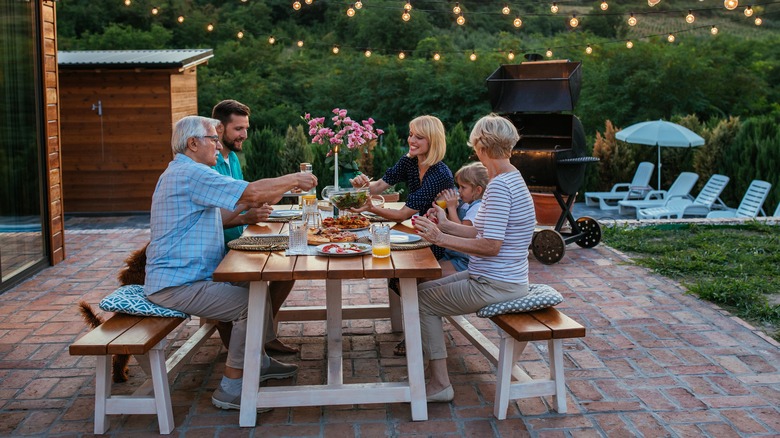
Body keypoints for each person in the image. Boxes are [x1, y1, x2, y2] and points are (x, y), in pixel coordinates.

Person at [144, 115, 318, 411]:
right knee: (251, 303)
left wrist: (256, 206)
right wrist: (292, 179)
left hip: (192, 277)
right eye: (213, 138)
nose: (217, 144)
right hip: (177, 285)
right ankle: (231, 386)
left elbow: (234, 206)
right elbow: (251, 192)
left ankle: (258, 361)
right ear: (193, 143)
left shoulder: (187, 172)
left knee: (261, 283)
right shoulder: (190, 174)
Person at [411, 113, 535, 403]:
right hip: (499, 278)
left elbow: (491, 246)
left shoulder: (500, 186)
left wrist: (440, 239)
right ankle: (433, 374)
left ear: (480, 145)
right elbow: (479, 230)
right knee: (418, 292)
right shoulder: (508, 179)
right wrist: (444, 223)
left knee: (419, 302)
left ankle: (440, 383)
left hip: (496, 283)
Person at [349, 115, 455, 356]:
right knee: (393, 272)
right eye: (410, 134)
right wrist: (362, 185)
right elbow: (378, 187)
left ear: (433, 140)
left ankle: (420, 330)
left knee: (398, 275)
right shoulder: (409, 162)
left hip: (436, 240)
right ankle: (417, 324)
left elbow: (404, 213)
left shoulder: (440, 173)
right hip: (417, 232)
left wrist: (372, 208)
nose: (411, 140)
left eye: (419, 136)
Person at [211, 99, 297, 354]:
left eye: (246, 128)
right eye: (238, 129)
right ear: (219, 128)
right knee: (268, 274)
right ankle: (249, 345)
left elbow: (246, 198)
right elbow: (218, 216)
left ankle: (264, 331)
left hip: (243, 239)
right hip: (224, 248)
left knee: (287, 267)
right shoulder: (210, 164)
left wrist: (277, 193)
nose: (244, 135)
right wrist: (248, 216)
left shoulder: (233, 159)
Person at [437, 161, 489, 278]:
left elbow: (462, 232)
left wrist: (451, 208)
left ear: (478, 190)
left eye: (463, 187)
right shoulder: (465, 203)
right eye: (458, 186)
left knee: (429, 274)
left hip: (464, 261)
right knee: (428, 268)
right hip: (453, 253)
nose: (459, 191)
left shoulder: (477, 208)